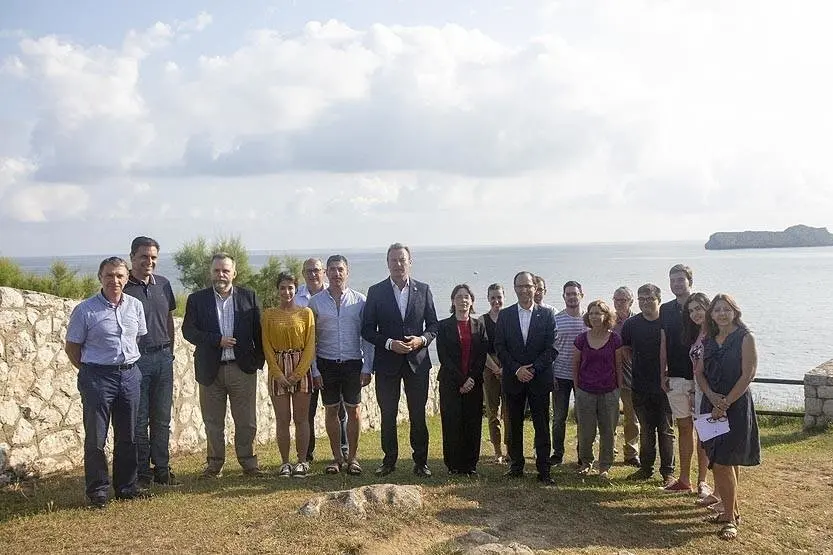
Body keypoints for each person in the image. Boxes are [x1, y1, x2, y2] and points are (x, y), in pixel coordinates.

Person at [65, 257, 148, 508]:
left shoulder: (135, 306)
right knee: (96, 438)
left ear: (127, 277)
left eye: (120, 276)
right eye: (109, 275)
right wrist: (91, 371)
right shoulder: (85, 310)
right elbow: (72, 348)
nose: (115, 280)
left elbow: (138, 339)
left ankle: (126, 487)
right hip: (97, 378)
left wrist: (126, 367)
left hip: (130, 376)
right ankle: (98, 491)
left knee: (129, 435)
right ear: (100, 278)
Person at [182, 253, 265, 479]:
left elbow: (260, 333)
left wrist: (258, 361)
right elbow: (188, 331)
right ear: (211, 273)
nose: (221, 275)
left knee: (246, 421)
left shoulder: (249, 297)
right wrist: (216, 339)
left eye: (225, 271)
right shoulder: (197, 300)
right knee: (213, 422)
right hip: (211, 369)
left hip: (242, 369)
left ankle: (249, 463)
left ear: (234, 273)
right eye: (217, 270)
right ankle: (214, 465)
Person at [361, 243, 439, 477]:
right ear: (387, 263)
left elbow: (434, 326)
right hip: (387, 362)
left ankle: (420, 462)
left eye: (402, 260)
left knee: (417, 414)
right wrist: (389, 344)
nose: (398, 264)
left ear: (409, 262)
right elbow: (367, 329)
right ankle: (389, 460)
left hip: (417, 362)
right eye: (393, 260)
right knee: (388, 414)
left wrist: (421, 341)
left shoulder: (423, 290)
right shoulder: (376, 291)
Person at [694, 294, 760, 541]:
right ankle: (732, 510)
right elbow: (699, 373)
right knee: (718, 458)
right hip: (710, 406)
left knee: (724, 461)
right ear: (711, 315)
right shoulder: (708, 340)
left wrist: (726, 402)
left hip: (736, 406)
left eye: (726, 309)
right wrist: (711, 396)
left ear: (735, 311)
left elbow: (748, 374)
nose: (721, 313)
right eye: (717, 310)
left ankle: (730, 518)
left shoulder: (745, 338)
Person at [123, 236, 181, 489]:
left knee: (162, 419)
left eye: (153, 257)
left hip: (163, 358)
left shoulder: (164, 285)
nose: (149, 261)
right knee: (139, 419)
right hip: (137, 360)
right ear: (132, 257)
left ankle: (163, 470)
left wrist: (171, 350)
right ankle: (142, 473)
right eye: (144, 256)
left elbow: (169, 319)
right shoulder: (123, 288)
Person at [308, 255, 374, 476]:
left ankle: (353, 458)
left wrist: (367, 367)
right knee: (331, 410)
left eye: (340, 269)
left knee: (354, 411)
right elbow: (311, 340)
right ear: (326, 272)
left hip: (353, 363)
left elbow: (367, 337)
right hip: (326, 363)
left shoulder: (360, 301)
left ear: (347, 272)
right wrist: (315, 370)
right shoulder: (315, 303)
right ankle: (336, 458)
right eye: (332, 270)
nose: (336, 274)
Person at [494, 271, 557, 485]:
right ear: (514, 289)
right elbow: (500, 347)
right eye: (519, 286)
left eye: (527, 286)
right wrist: (516, 369)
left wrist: (533, 369)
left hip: (539, 378)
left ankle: (544, 470)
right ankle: (516, 466)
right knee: (514, 425)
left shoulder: (547, 315)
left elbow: (552, 348)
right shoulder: (505, 315)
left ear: (535, 288)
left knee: (542, 425)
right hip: (513, 378)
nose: (523, 290)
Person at [262, 271, 316, 478]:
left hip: (300, 368)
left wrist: (298, 373)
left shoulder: (306, 313)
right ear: (278, 290)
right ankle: (285, 463)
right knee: (282, 419)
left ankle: (302, 462)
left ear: (296, 289)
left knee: (302, 419)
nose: (286, 291)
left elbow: (310, 346)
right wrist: (278, 374)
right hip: (278, 370)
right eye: (282, 287)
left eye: (290, 287)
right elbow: (266, 346)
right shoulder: (268, 315)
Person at [621, 283, 675, 485]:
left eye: (649, 299)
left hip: (665, 385)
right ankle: (645, 469)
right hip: (640, 384)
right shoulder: (631, 324)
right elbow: (625, 348)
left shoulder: (667, 322)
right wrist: (635, 362)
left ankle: (668, 472)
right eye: (641, 299)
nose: (645, 303)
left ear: (658, 300)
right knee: (645, 429)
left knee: (665, 429)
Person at [295, 258, 347, 463]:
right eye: (308, 271)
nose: (313, 274)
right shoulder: (296, 297)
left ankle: (343, 450)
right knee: (308, 410)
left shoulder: (333, 294)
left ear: (323, 272)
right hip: (303, 363)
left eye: (317, 270)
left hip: (329, 361)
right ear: (303, 273)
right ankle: (307, 454)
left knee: (338, 409)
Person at [436, 284, 488, 475]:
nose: (463, 300)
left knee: (472, 423)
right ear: (453, 301)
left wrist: (471, 379)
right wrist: (461, 380)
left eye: (467, 297)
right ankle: (453, 465)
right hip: (451, 383)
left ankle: (470, 464)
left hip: (474, 384)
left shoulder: (479, 325)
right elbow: (444, 357)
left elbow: (482, 355)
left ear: (472, 301)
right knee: (452, 423)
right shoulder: (443, 326)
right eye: (459, 297)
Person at [572, 300, 623, 481]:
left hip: (609, 391)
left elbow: (618, 365)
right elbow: (576, 364)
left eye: (598, 313)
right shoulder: (581, 338)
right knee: (586, 431)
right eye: (592, 313)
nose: (594, 316)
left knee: (608, 430)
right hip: (585, 391)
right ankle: (586, 463)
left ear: (606, 316)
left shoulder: (615, 339)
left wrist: (619, 390)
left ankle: (605, 466)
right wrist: (577, 389)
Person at [660, 264, 696, 492]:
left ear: (689, 281)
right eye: (673, 280)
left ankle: (703, 481)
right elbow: (664, 342)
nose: (676, 284)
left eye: (680, 280)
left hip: (699, 378)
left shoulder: (701, 305)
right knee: (683, 428)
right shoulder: (666, 309)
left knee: (703, 430)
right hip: (675, 376)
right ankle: (684, 480)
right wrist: (662, 372)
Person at [683, 292, 717, 504]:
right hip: (699, 393)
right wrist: (694, 393)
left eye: (699, 308)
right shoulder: (699, 334)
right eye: (691, 310)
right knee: (705, 440)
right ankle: (707, 484)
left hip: (712, 394)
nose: (695, 313)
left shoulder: (715, 335)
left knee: (717, 443)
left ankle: (722, 494)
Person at [551, 280, 587, 466]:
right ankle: (557, 453)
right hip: (560, 376)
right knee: (559, 418)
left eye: (575, 293)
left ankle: (583, 454)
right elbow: (550, 349)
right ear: (564, 296)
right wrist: (551, 375)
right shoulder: (556, 320)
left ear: (582, 295)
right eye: (568, 294)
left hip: (584, 377)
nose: (572, 297)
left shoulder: (589, 319)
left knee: (584, 417)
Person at [480, 283, 511, 465]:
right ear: (488, 299)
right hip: (489, 368)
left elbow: (514, 346)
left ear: (503, 297)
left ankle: (509, 450)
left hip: (508, 367)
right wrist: (495, 368)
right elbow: (481, 349)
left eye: (499, 297)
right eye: (493, 297)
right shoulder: (482, 321)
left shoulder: (509, 318)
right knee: (493, 412)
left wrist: (505, 368)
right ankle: (497, 451)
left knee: (509, 412)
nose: (496, 301)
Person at [612, 286, 640, 467]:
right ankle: (610, 449)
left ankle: (631, 453)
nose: (619, 303)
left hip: (631, 374)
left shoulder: (638, 321)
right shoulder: (609, 320)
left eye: (623, 300)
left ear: (631, 301)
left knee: (632, 416)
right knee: (609, 415)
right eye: (616, 299)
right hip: (610, 374)